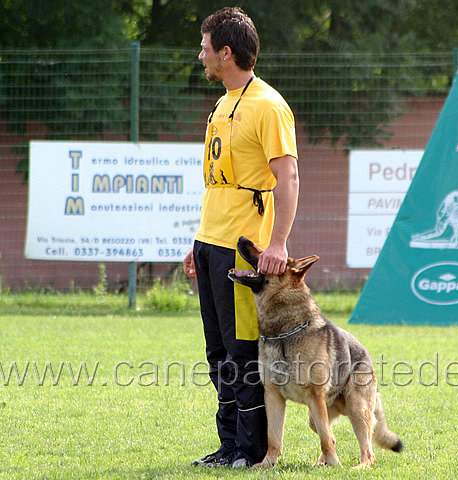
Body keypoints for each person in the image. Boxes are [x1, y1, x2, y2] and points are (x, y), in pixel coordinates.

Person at [183, 7, 299, 468]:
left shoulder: (268, 105)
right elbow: (220, 182)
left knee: (242, 349)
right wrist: (198, 243)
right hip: (211, 240)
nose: (201, 55)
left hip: (244, 249)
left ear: (226, 52)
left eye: (206, 48)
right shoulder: (223, 101)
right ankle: (229, 445)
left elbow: (287, 176)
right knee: (217, 351)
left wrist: (278, 244)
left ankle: (250, 451)